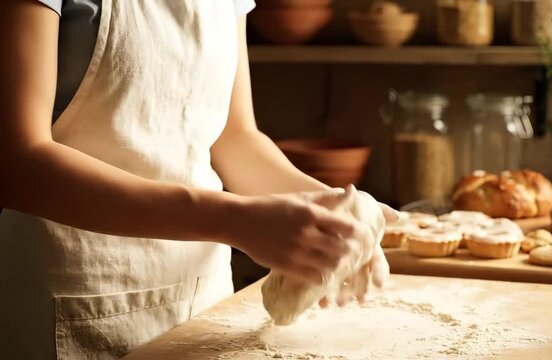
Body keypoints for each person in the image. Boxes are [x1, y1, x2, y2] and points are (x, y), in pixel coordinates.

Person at [0, 0, 396, 358]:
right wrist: (236, 220)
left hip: (202, 299)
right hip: (77, 295)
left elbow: (234, 138)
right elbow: (18, 162)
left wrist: (333, 214)